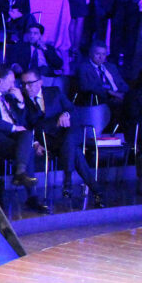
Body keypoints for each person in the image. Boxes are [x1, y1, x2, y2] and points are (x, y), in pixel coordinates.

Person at [19, 69, 103, 205]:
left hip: (66, 132)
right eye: (23, 84)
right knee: (75, 152)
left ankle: (69, 181)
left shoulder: (54, 92)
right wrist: (35, 143)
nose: (26, 87)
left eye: (30, 83)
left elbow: (72, 110)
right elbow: (24, 125)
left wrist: (65, 114)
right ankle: (94, 191)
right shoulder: (21, 100)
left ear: (40, 82)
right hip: (48, 140)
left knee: (69, 137)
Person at [0, 65, 46, 212]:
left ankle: (20, 172)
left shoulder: (8, 96)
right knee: (27, 149)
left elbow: (22, 121)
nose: (14, 85)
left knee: (27, 134)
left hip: (12, 137)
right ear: (0, 81)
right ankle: (31, 195)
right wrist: (13, 128)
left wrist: (20, 102)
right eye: (11, 81)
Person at [76, 41, 128, 107]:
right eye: (98, 54)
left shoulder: (111, 67)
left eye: (104, 54)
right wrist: (111, 93)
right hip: (100, 99)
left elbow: (122, 83)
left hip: (120, 96)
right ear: (90, 54)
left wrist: (124, 94)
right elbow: (85, 86)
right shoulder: (84, 68)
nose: (101, 57)